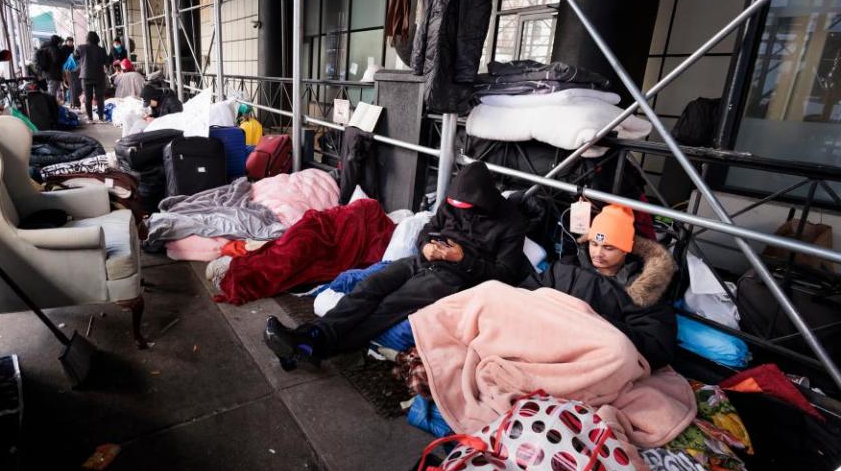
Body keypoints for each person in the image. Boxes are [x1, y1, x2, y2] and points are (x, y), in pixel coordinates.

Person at [263, 162, 528, 370]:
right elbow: (429, 229)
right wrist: (425, 246)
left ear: (484, 200)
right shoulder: (452, 203)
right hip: (424, 260)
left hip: (455, 276)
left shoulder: (510, 223)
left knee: (390, 305)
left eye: (467, 207)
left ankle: (314, 344)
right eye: (456, 204)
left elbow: (505, 275)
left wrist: (463, 259)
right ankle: (311, 335)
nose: (460, 210)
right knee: (370, 286)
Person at [520, 204, 678, 369]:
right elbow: (526, 292)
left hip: (590, 361)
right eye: (594, 244)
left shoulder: (642, 289)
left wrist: (596, 322)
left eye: (608, 248)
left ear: (626, 249)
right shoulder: (567, 266)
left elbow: (657, 346)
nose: (598, 253)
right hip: (541, 341)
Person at [74, 31, 109, 121]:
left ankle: (90, 118)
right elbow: (106, 61)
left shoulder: (81, 48)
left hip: (86, 76)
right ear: (97, 39)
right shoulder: (101, 49)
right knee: (100, 97)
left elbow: (75, 56)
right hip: (99, 76)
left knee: (88, 98)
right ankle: (101, 118)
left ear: (87, 38)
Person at [63, 36, 82, 108]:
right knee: (73, 88)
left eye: (71, 41)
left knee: (73, 89)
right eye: (69, 41)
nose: (70, 43)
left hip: (72, 72)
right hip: (71, 72)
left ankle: (73, 103)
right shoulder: (64, 49)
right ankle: (74, 103)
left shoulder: (73, 50)